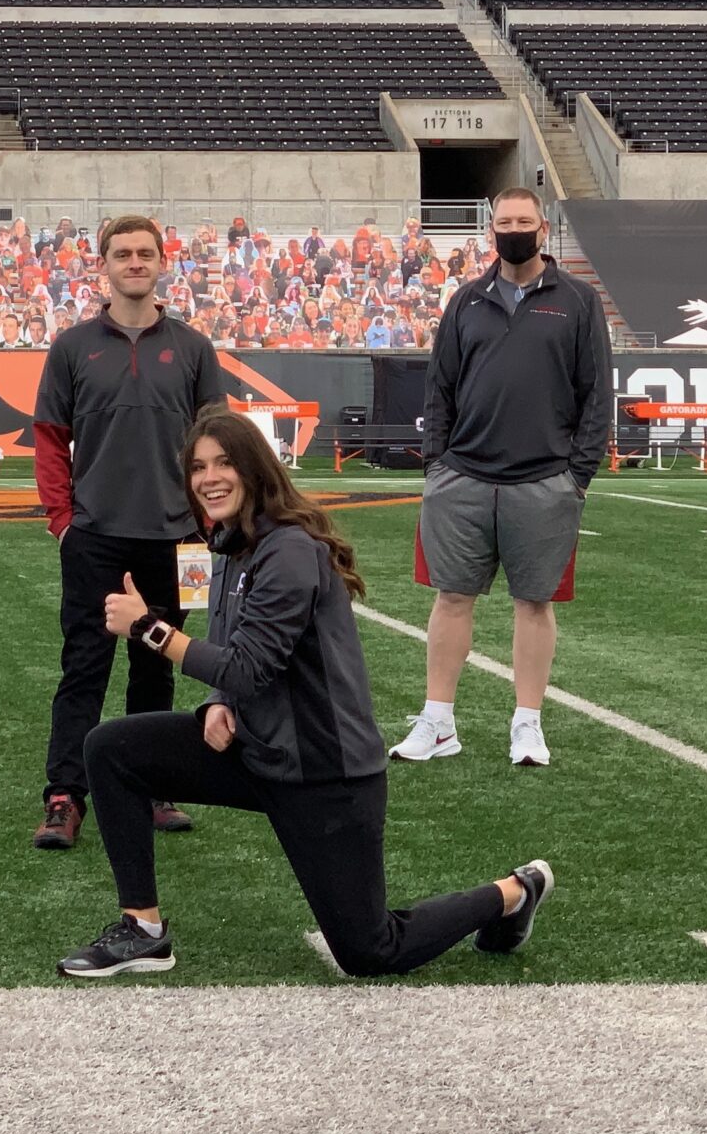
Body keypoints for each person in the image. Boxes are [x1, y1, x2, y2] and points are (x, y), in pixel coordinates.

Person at [57, 406, 552, 979]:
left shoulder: (288, 550)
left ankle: (514, 892)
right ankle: (142, 930)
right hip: (262, 751)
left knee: (370, 952)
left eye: (223, 463)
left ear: (254, 469)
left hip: (325, 771)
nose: (208, 478)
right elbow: (230, 657)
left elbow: (249, 666)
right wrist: (218, 701)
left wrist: (150, 630)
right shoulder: (229, 545)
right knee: (111, 748)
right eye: (197, 467)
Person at [392, 187, 611, 770]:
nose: (513, 228)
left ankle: (527, 725)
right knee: (451, 597)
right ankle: (438, 722)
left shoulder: (578, 302)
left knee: (533, 603)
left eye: (524, 220)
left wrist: (578, 476)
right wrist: (436, 464)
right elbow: (439, 389)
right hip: (462, 475)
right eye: (504, 221)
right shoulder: (465, 301)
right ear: (491, 231)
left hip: (545, 480)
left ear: (543, 227)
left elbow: (597, 395)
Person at [31, 214, 225, 850]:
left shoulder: (194, 348)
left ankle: (150, 784)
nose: (134, 262)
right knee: (83, 668)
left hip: (177, 540)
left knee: (158, 667)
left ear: (162, 262)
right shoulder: (72, 346)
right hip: (95, 537)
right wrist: (62, 520)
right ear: (104, 265)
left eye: (145, 253)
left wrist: (210, 523)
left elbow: (217, 446)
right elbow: (50, 441)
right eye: (123, 254)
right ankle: (65, 796)